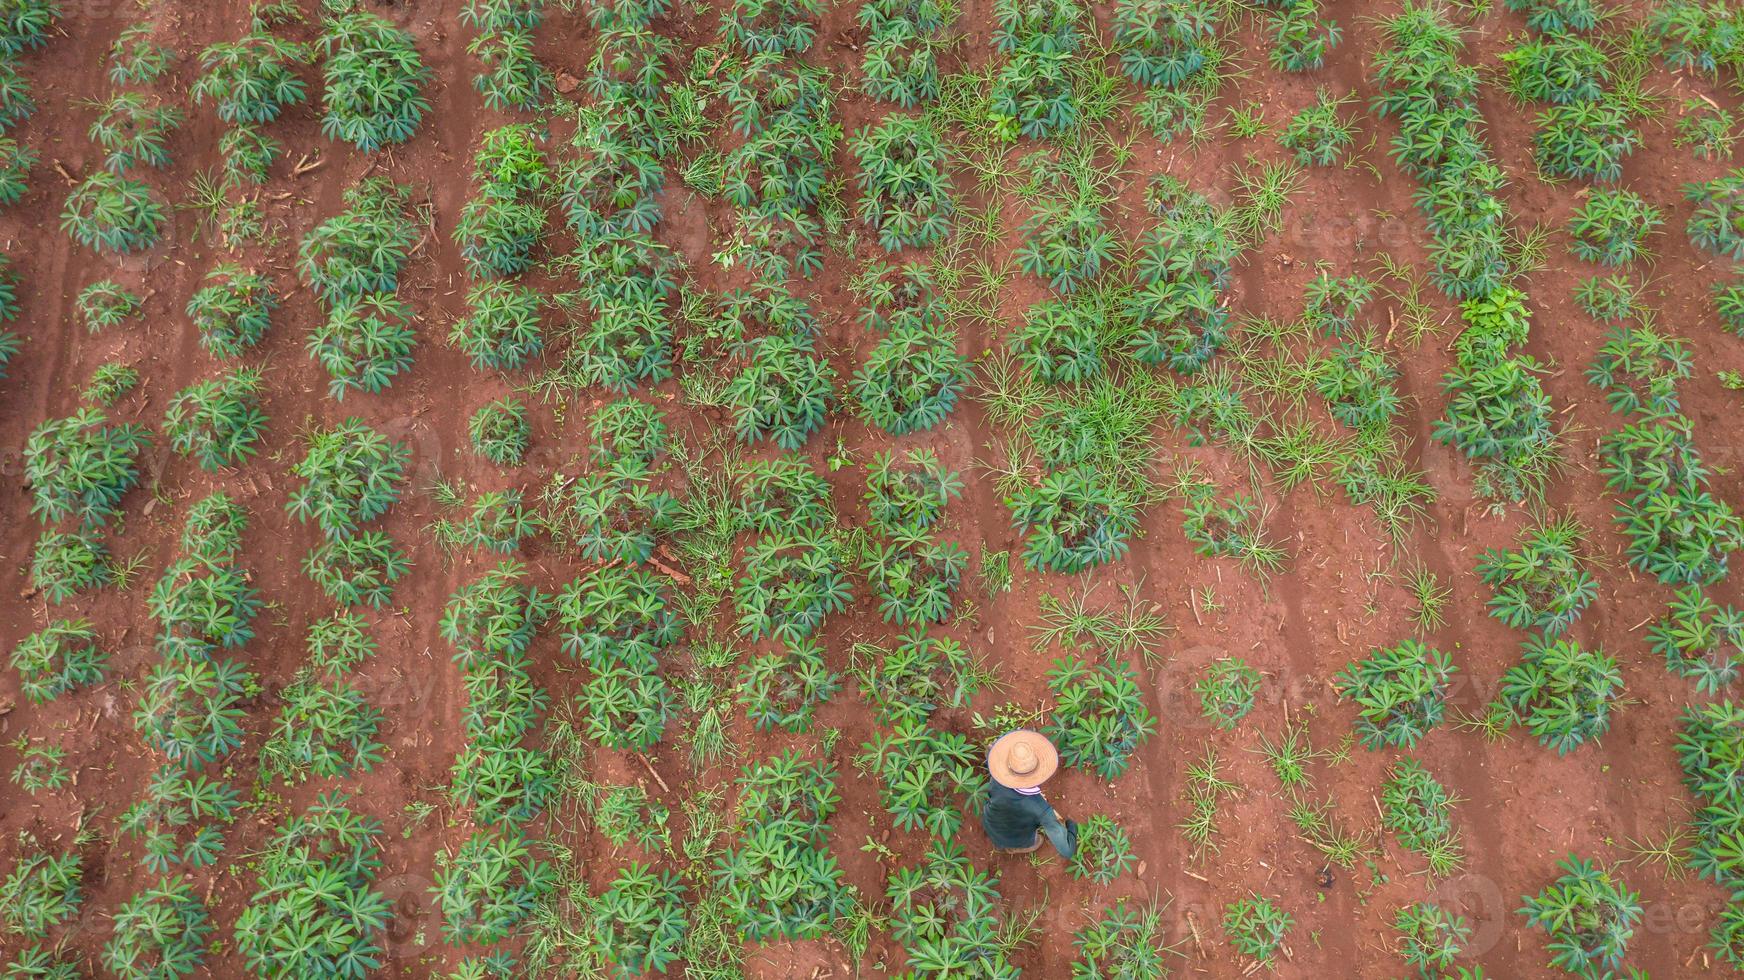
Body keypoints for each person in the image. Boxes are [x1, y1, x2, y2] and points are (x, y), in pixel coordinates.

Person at [982, 729, 1077, 858]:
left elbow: (990, 752)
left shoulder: (997, 778)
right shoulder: (1040, 809)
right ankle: (1012, 848)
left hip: (989, 821)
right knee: (1038, 841)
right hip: (1011, 838)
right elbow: (1067, 851)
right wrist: (1072, 826)